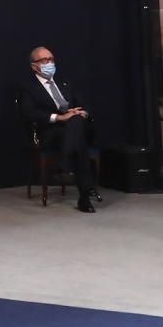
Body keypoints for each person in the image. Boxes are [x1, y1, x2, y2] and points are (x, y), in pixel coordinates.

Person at [18, 46, 98, 213]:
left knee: (75, 123)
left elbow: (85, 103)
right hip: (51, 131)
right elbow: (29, 113)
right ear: (34, 66)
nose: (49, 63)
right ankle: (84, 195)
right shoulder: (28, 87)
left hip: (75, 127)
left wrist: (83, 113)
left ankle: (65, 163)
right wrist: (60, 118)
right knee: (78, 140)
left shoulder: (65, 82)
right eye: (44, 60)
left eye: (51, 59)